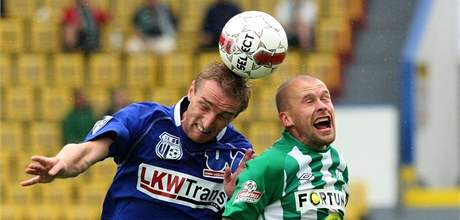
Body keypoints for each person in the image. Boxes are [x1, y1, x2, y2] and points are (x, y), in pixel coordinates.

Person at [21, 62, 255, 220]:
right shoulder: (145, 120)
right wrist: (63, 162)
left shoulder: (239, 156)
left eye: (223, 116)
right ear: (191, 91)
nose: (207, 122)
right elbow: (88, 150)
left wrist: (237, 205)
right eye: (204, 106)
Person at [223, 75, 349, 219]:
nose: (322, 106)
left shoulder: (339, 163)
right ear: (287, 119)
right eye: (309, 101)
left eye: (325, 98)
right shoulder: (269, 165)